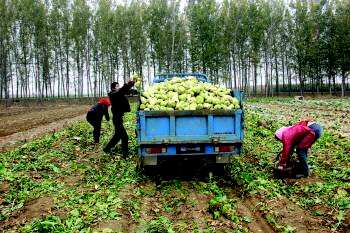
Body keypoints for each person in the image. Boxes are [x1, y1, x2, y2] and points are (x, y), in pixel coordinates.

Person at [103, 80, 135, 157]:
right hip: (117, 119)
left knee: (117, 136)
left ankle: (107, 149)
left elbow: (124, 91)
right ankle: (125, 154)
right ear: (113, 88)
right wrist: (128, 84)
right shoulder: (113, 94)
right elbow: (121, 91)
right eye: (117, 86)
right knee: (125, 137)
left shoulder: (118, 94)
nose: (119, 87)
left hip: (118, 118)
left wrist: (131, 88)